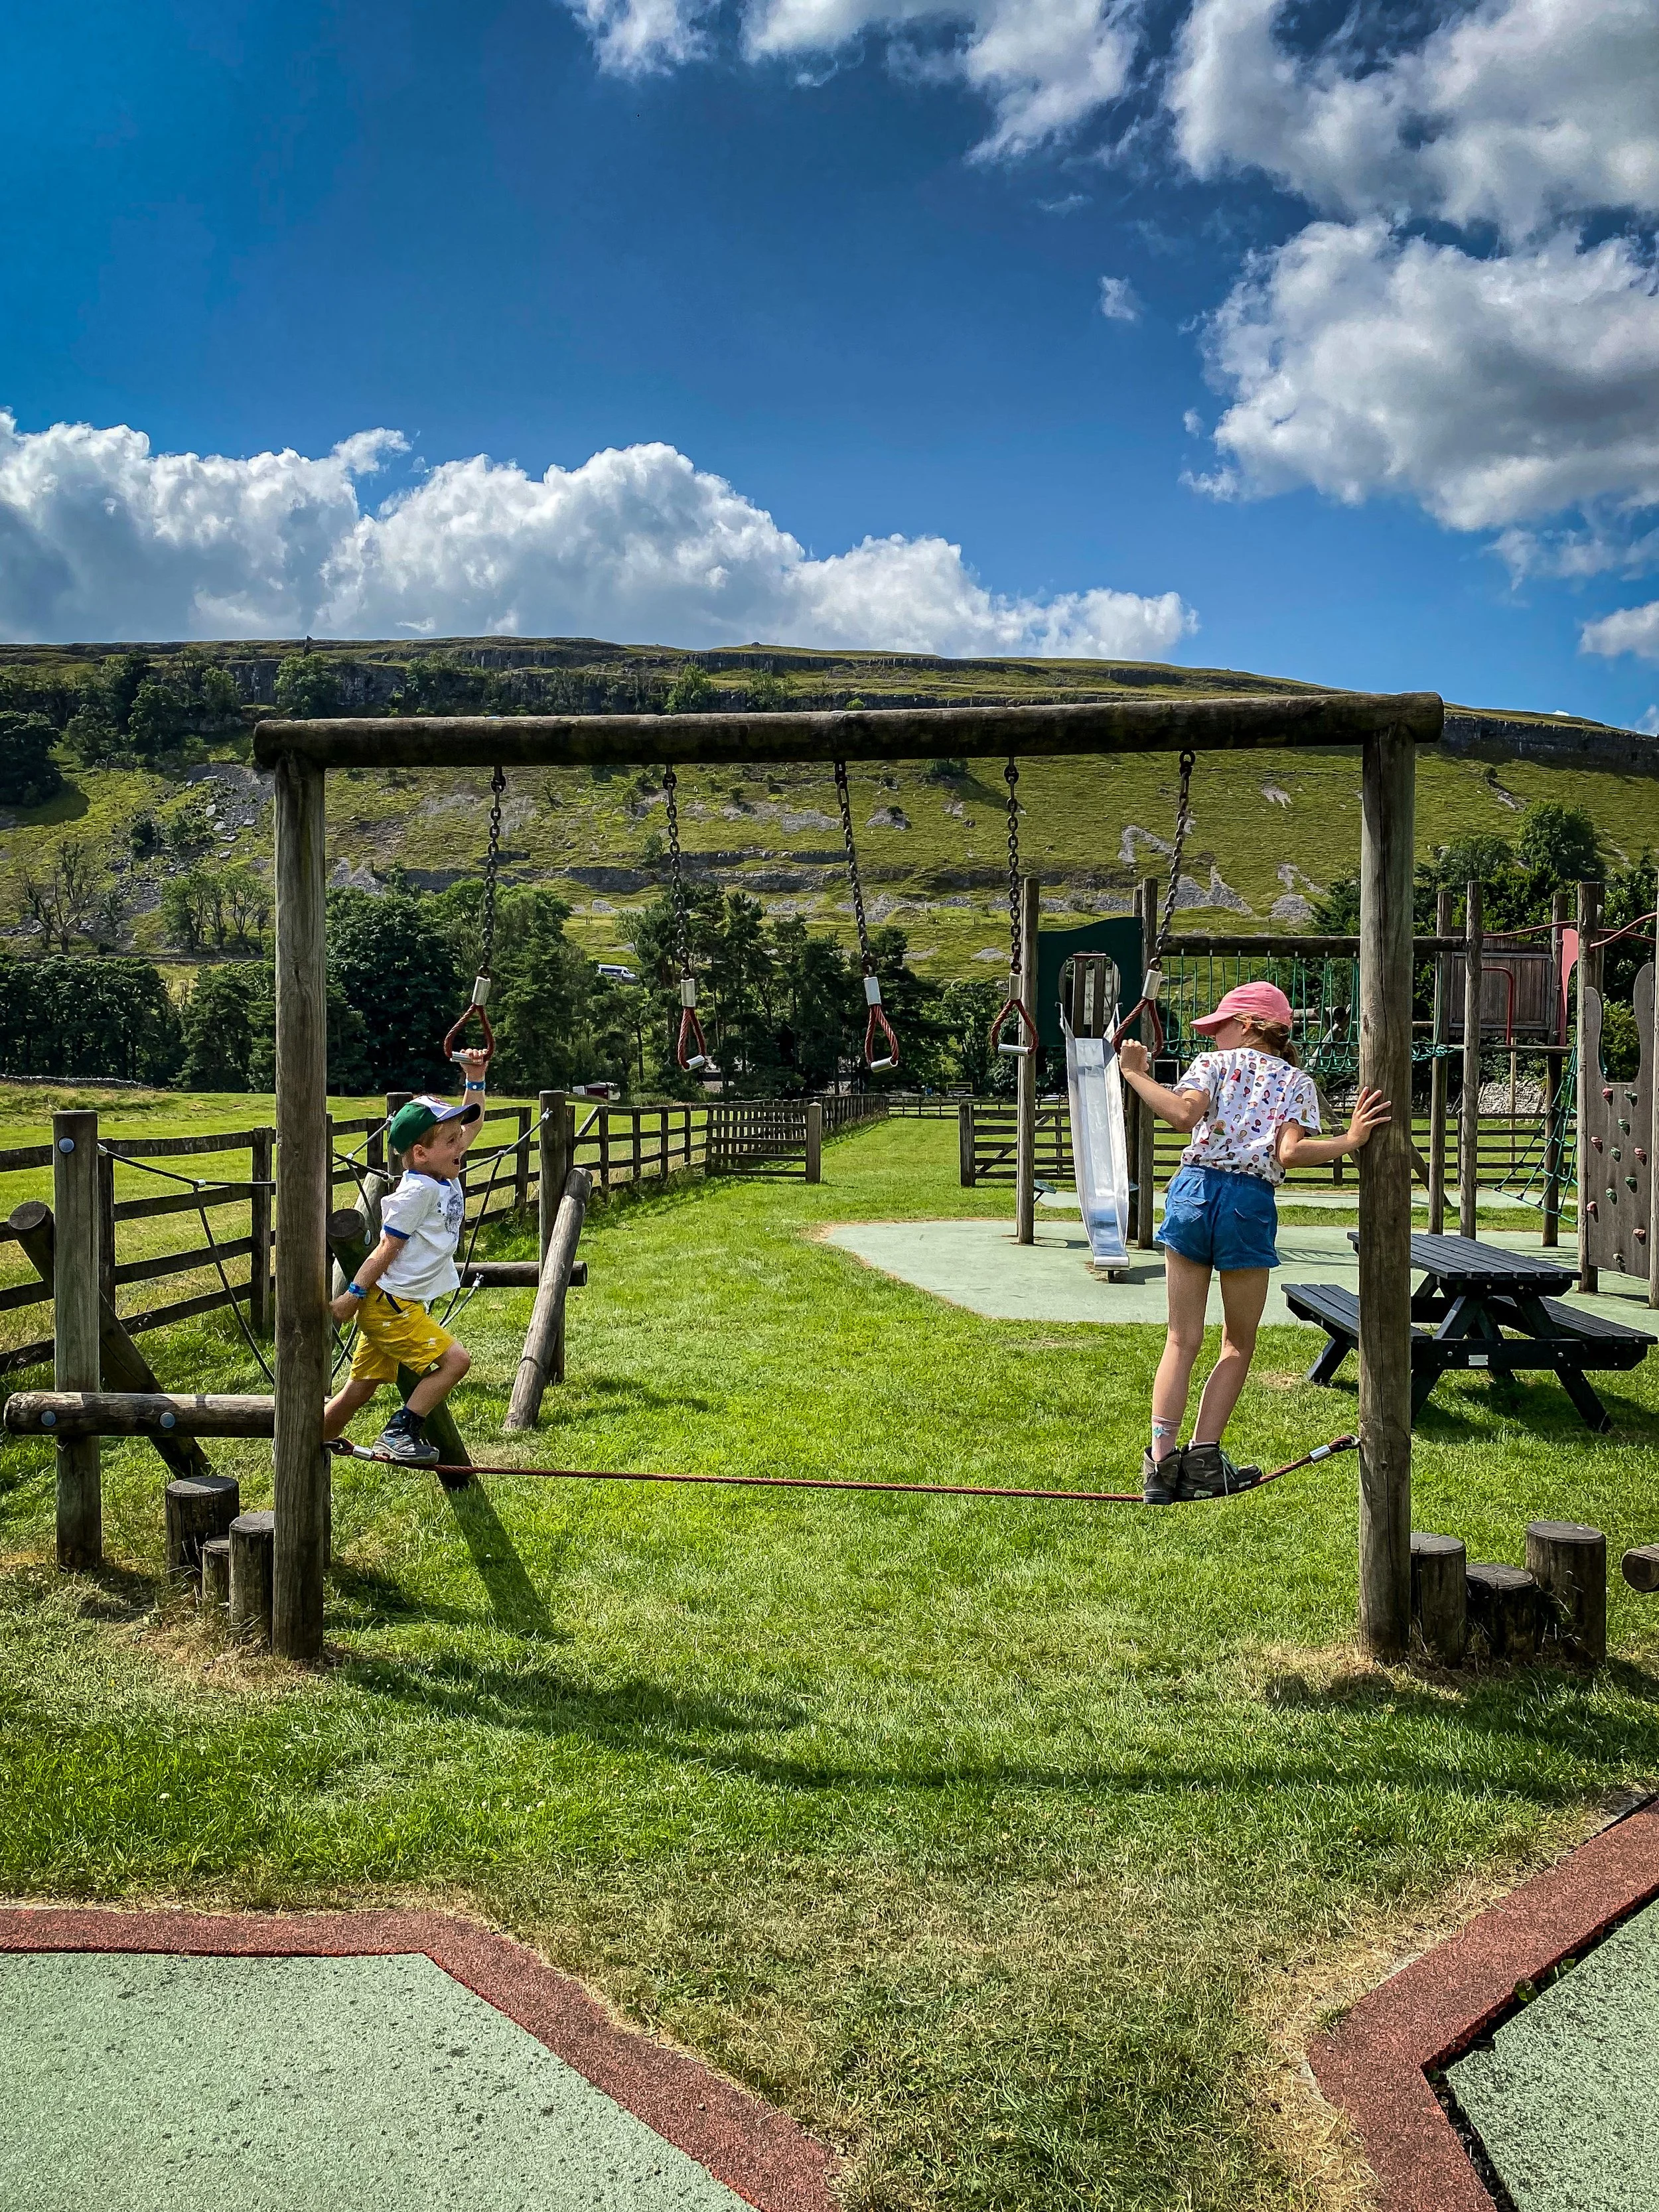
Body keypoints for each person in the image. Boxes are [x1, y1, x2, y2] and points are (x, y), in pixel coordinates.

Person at [1118, 981, 1390, 1503]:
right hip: (1248, 1203)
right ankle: (1203, 1459)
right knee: (1237, 1342)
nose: (1211, 1034)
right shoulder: (1296, 1081)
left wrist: (1134, 1074)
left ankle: (1160, 1464)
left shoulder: (1212, 1066)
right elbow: (1290, 1154)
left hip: (1194, 1193)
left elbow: (1180, 1116)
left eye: (1218, 1025)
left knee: (1181, 1339)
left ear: (1245, 1025)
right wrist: (1351, 1140)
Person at [324, 1056, 490, 1464]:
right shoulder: (418, 1192)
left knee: (360, 1388)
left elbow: (475, 1123)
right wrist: (351, 1297)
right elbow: (385, 1248)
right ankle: (400, 1431)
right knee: (455, 1362)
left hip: (398, 1302)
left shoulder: (441, 1172)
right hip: (391, 1306)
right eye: (451, 1141)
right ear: (420, 1152)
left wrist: (476, 1079)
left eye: (457, 1137)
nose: (461, 1144)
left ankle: (303, 1442)